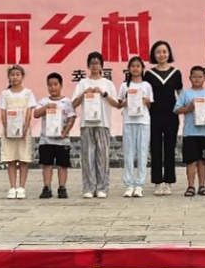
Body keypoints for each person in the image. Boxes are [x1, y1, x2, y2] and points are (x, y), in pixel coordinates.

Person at [72, 52, 120, 199]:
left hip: (103, 123)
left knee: (102, 157)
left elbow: (116, 104)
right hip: (86, 124)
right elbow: (74, 104)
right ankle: (88, 187)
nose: (94, 66)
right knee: (87, 156)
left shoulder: (107, 84)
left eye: (97, 63)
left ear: (101, 65)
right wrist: (84, 93)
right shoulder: (83, 83)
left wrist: (103, 93)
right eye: (92, 63)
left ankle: (102, 187)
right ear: (88, 65)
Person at [145, 40, 182, 196]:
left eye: (164, 51)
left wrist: (183, 107)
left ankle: (168, 182)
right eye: (158, 52)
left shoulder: (176, 73)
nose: (162, 54)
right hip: (154, 115)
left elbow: (180, 94)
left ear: (169, 53)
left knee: (169, 147)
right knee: (155, 148)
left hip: (171, 115)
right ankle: (157, 182)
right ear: (154, 55)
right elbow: (146, 94)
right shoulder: (149, 74)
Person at [173, 66, 205, 197]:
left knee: (203, 161)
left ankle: (202, 186)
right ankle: (191, 186)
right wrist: (188, 108)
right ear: (190, 78)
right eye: (194, 76)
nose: (197, 79)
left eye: (200, 77)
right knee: (190, 161)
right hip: (190, 133)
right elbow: (176, 110)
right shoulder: (185, 93)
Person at [33, 72, 76, 199]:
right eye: (50, 85)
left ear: (61, 85)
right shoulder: (44, 101)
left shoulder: (67, 101)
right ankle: (47, 187)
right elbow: (36, 114)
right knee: (47, 164)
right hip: (46, 140)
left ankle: (62, 187)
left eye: (56, 84)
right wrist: (47, 107)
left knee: (62, 165)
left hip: (62, 140)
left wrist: (65, 132)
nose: (53, 87)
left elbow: (72, 118)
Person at [0, 65, 36, 199]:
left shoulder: (28, 93)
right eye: (12, 75)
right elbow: (3, 112)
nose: (15, 77)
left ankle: (22, 187)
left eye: (18, 75)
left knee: (23, 159)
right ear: (9, 77)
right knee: (11, 159)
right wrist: (6, 128)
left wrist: (25, 127)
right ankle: (12, 187)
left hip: (24, 131)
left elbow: (29, 112)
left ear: (22, 77)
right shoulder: (4, 94)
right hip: (9, 131)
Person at [117, 56, 154, 197]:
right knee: (128, 153)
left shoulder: (146, 86)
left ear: (142, 68)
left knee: (142, 153)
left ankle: (139, 185)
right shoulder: (124, 86)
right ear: (128, 69)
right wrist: (125, 102)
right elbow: (119, 104)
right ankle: (129, 184)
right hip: (128, 122)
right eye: (132, 66)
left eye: (138, 66)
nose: (135, 68)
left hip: (143, 122)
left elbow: (150, 105)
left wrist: (146, 101)